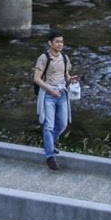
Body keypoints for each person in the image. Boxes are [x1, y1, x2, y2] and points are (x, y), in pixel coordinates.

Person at [32, 32, 77, 170]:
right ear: (50, 43)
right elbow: (37, 78)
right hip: (49, 95)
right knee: (49, 125)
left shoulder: (64, 57)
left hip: (62, 93)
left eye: (62, 42)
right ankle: (49, 155)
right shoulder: (44, 58)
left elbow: (65, 74)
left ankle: (49, 143)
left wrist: (70, 79)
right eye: (57, 42)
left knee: (63, 123)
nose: (60, 44)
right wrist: (50, 90)